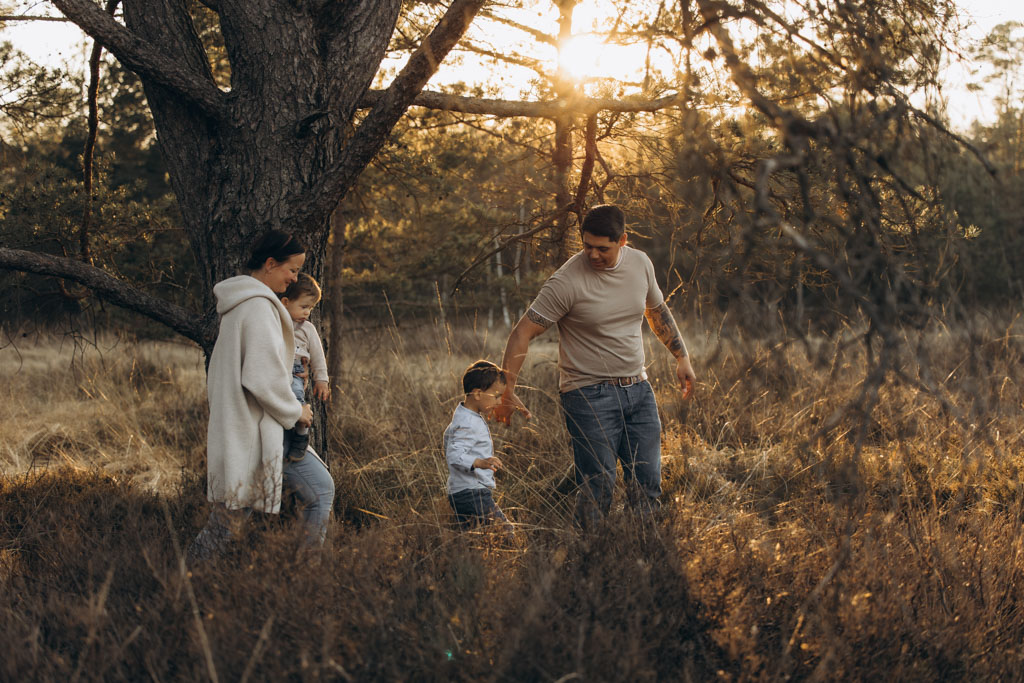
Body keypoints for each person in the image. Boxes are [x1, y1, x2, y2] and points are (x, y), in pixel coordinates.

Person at [494, 204, 696, 529]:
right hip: (588, 396)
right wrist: (507, 391)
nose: (593, 255)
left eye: (603, 248)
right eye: (587, 246)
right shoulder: (566, 281)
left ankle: (646, 558)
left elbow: (656, 311)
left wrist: (681, 357)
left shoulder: (640, 264)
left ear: (623, 241)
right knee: (598, 487)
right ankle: (587, 559)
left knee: (647, 484)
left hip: (639, 391)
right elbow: (521, 333)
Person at [188, 230, 335, 562]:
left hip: (259, 429)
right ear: (270, 264)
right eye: (292, 270)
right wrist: (295, 411)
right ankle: (184, 583)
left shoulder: (243, 305)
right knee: (228, 521)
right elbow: (259, 376)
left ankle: (306, 575)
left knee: (317, 490)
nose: (295, 278)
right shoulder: (257, 308)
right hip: (260, 429)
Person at [444, 360, 513, 534]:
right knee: (505, 531)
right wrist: (480, 462)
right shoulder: (467, 421)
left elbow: (449, 442)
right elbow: (454, 455)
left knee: (471, 536)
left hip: (464, 491)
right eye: (496, 396)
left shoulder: (465, 416)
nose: (499, 402)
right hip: (471, 492)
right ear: (477, 394)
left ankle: (467, 560)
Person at [279, 273, 330, 463]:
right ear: (285, 302)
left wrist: (322, 380)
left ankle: (301, 435)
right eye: (303, 306)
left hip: (296, 370)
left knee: (296, 396)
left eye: (310, 307)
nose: (307, 312)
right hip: (277, 369)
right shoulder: (274, 323)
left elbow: (317, 356)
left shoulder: (308, 328)